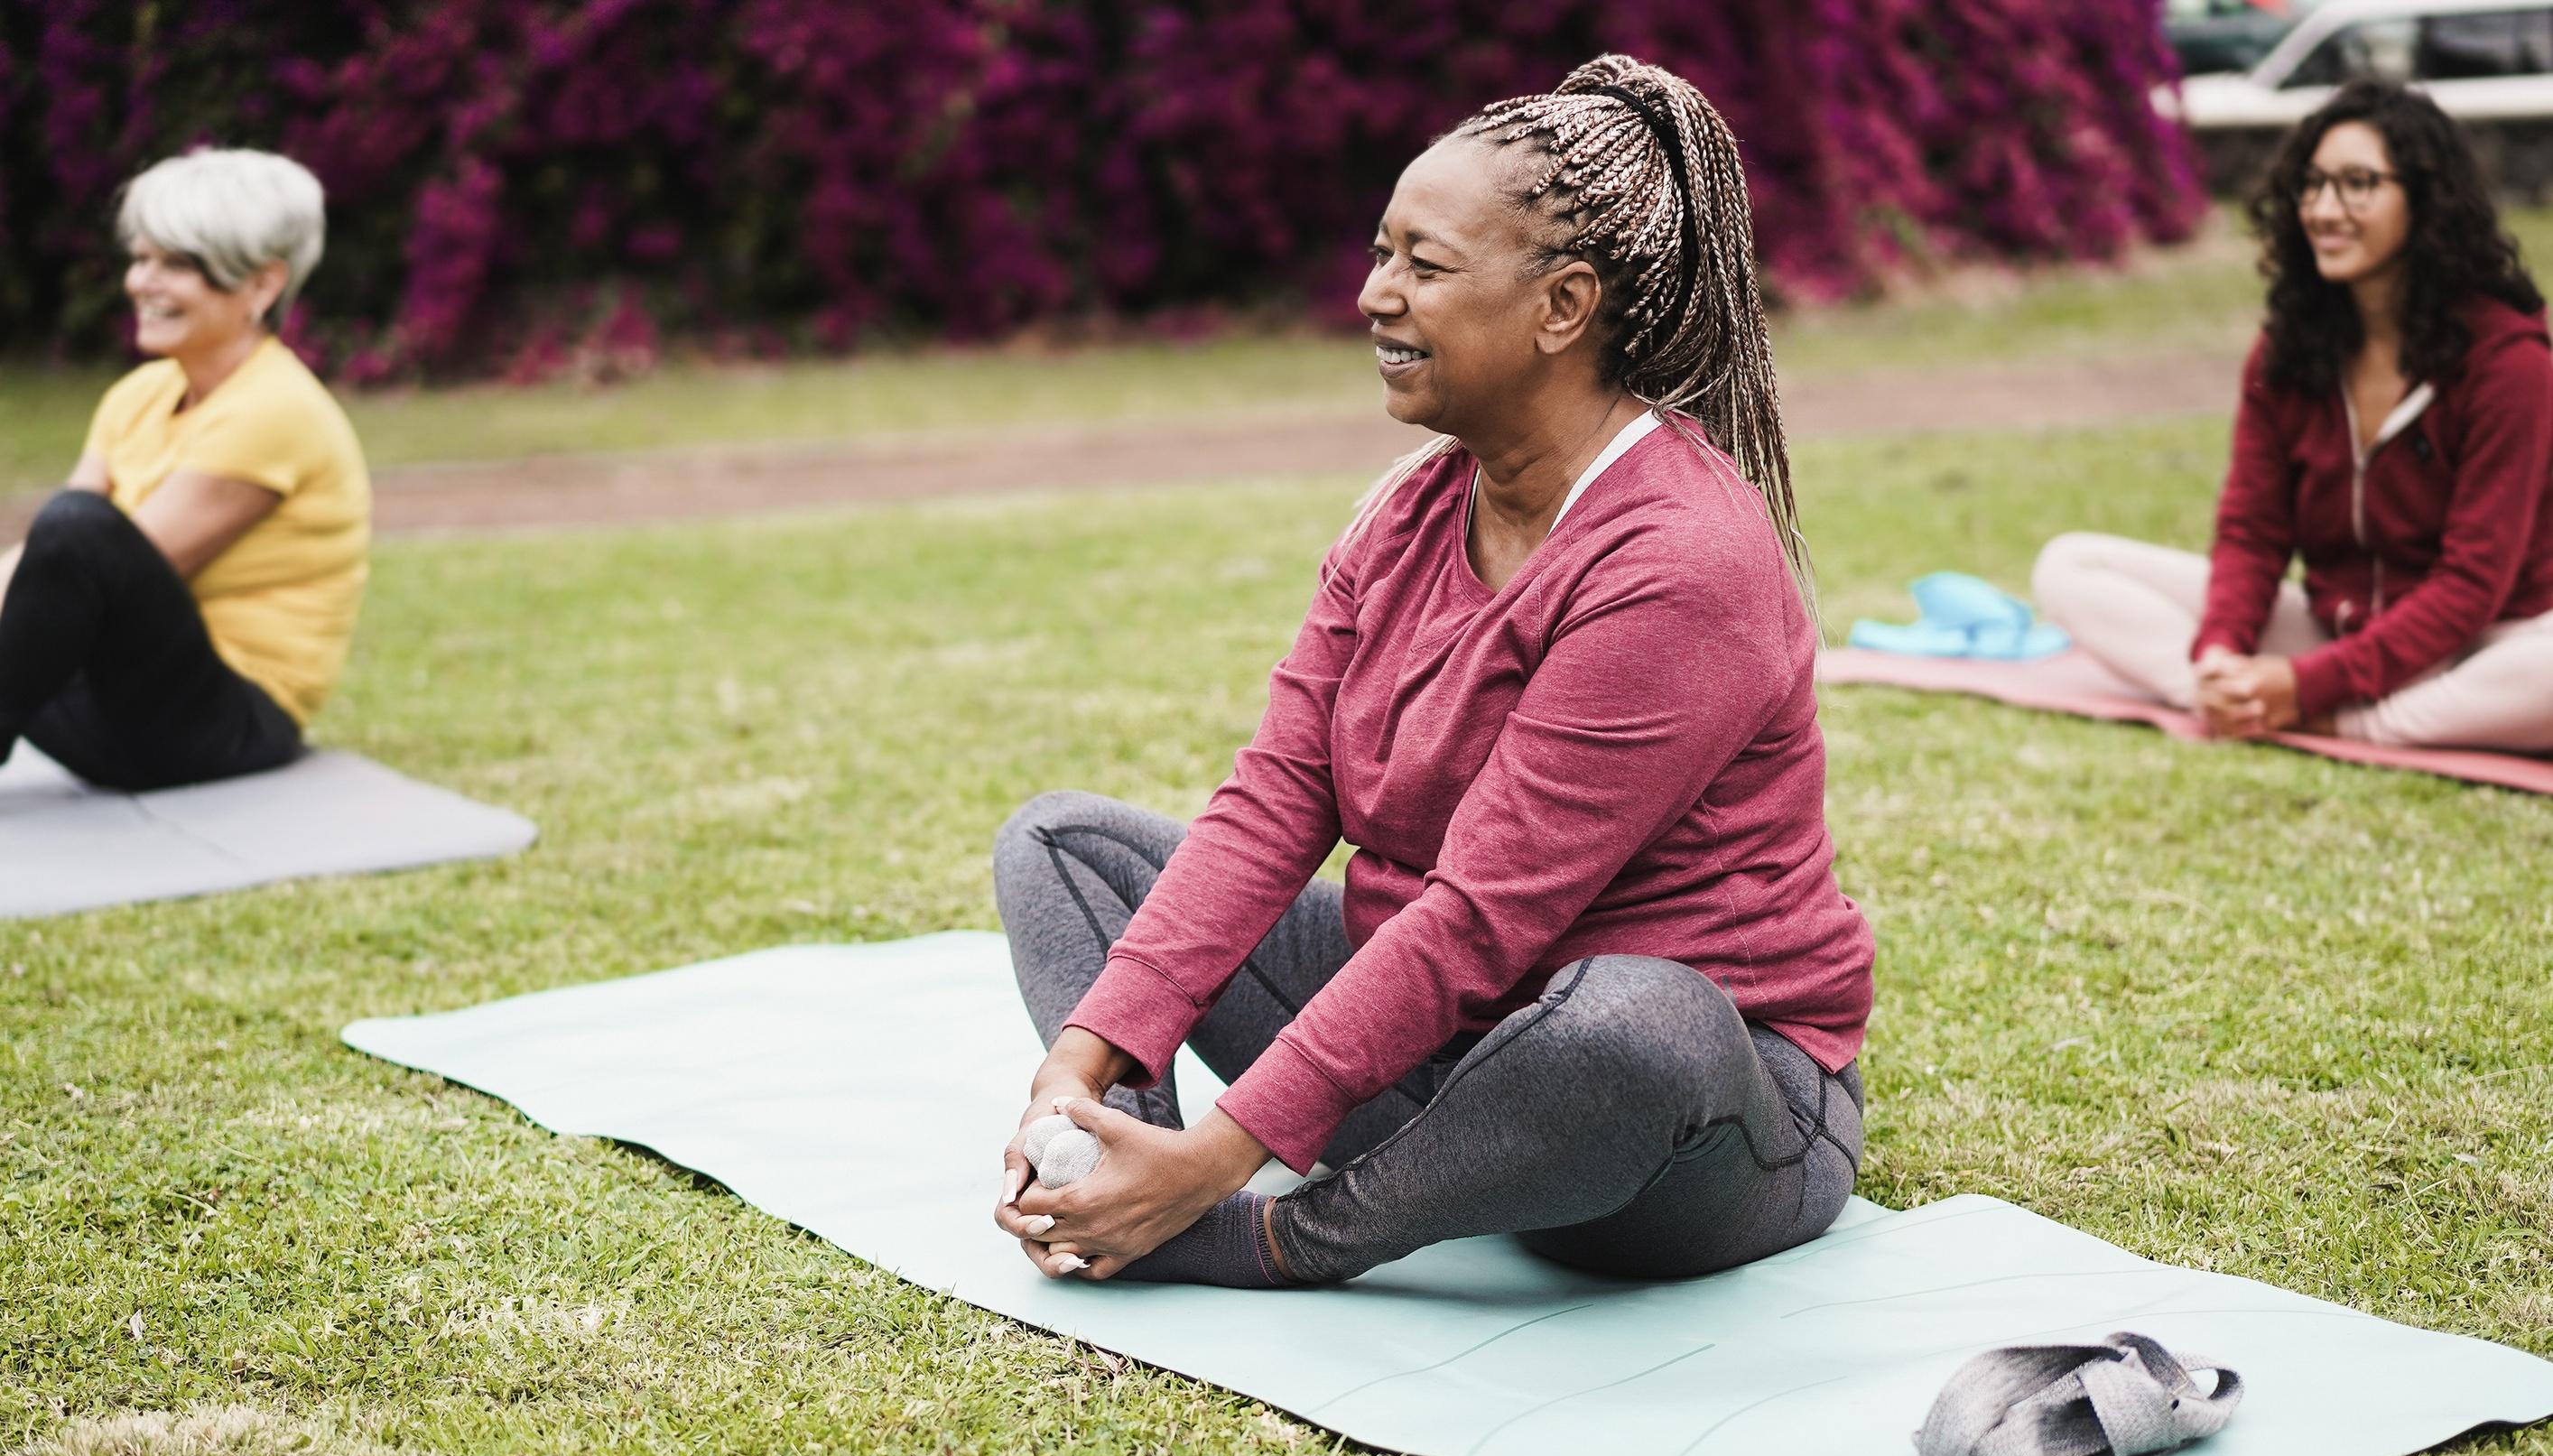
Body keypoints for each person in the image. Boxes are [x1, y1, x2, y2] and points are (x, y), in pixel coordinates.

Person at [989, 55, 1875, 1288]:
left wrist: (1229, 1164)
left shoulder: (1681, 560)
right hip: (1439, 1053)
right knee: (1065, 851)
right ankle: (1113, 1162)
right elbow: (1273, 804)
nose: (1375, 295)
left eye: (1424, 265)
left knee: (1633, 1024)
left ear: (1563, 307)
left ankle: (1267, 1235)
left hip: (1681, 1129)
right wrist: (1086, 1059)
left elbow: (1482, 916)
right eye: (1380, 254)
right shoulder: (1405, 513)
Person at [2032, 80, 2553, 752]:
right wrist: (2222, 648)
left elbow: (2471, 585)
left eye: (2357, 184)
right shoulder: (2290, 352)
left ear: (2426, 200)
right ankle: (2233, 697)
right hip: (2337, 626)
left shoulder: (2507, 362)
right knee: (2069, 567)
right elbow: (2252, 533)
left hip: (2486, 642)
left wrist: (2307, 687)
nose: (2325, 209)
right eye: (2312, 185)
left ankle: (2337, 720)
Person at [0, 147, 369, 791]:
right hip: (122, 701)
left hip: (226, 724)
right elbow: (42, 573)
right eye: (141, 259)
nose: (142, 283)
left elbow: (83, 563)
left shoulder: (276, 409)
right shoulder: (139, 395)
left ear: (261, 286)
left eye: (176, 265)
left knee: (78, 527)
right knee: (69, 534)